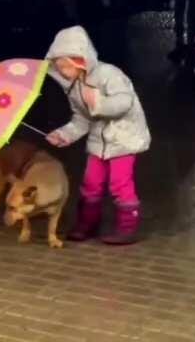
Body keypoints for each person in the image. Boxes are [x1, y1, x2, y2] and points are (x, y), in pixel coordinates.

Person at [45, 26, 151, 245]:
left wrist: (99, 103)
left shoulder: (109, 74)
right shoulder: (74, 86)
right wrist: (65, 134)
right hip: (98, 142)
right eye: (59, 67)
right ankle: (87, 225)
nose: (63, 71)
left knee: (119, 183)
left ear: (80, 59)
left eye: (66, 65)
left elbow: (124, 102)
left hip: (124, 139)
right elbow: (81, 118)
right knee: (90, 182)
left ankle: (126, 228)